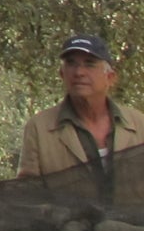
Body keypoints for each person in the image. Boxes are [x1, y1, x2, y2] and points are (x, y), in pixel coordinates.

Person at [17, 33, 140, 200]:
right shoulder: (40, 128)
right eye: (71, 64)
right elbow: (27, 194)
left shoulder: (138, 124)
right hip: (65, 226)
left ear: (110, 78)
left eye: (89, 64)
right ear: (62, 74)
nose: (79, 72)